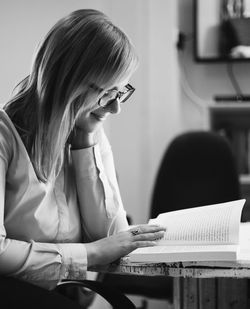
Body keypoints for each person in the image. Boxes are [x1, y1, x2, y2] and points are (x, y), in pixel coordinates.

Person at [0, 8, 166, 298]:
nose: (115, 107)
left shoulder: (87, 128)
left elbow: (111, 238)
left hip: (69, 293)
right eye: (106, 93)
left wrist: (85, 142)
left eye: (121, 91)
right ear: (68, 83)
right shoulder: (5, 137)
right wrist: (88, 254)